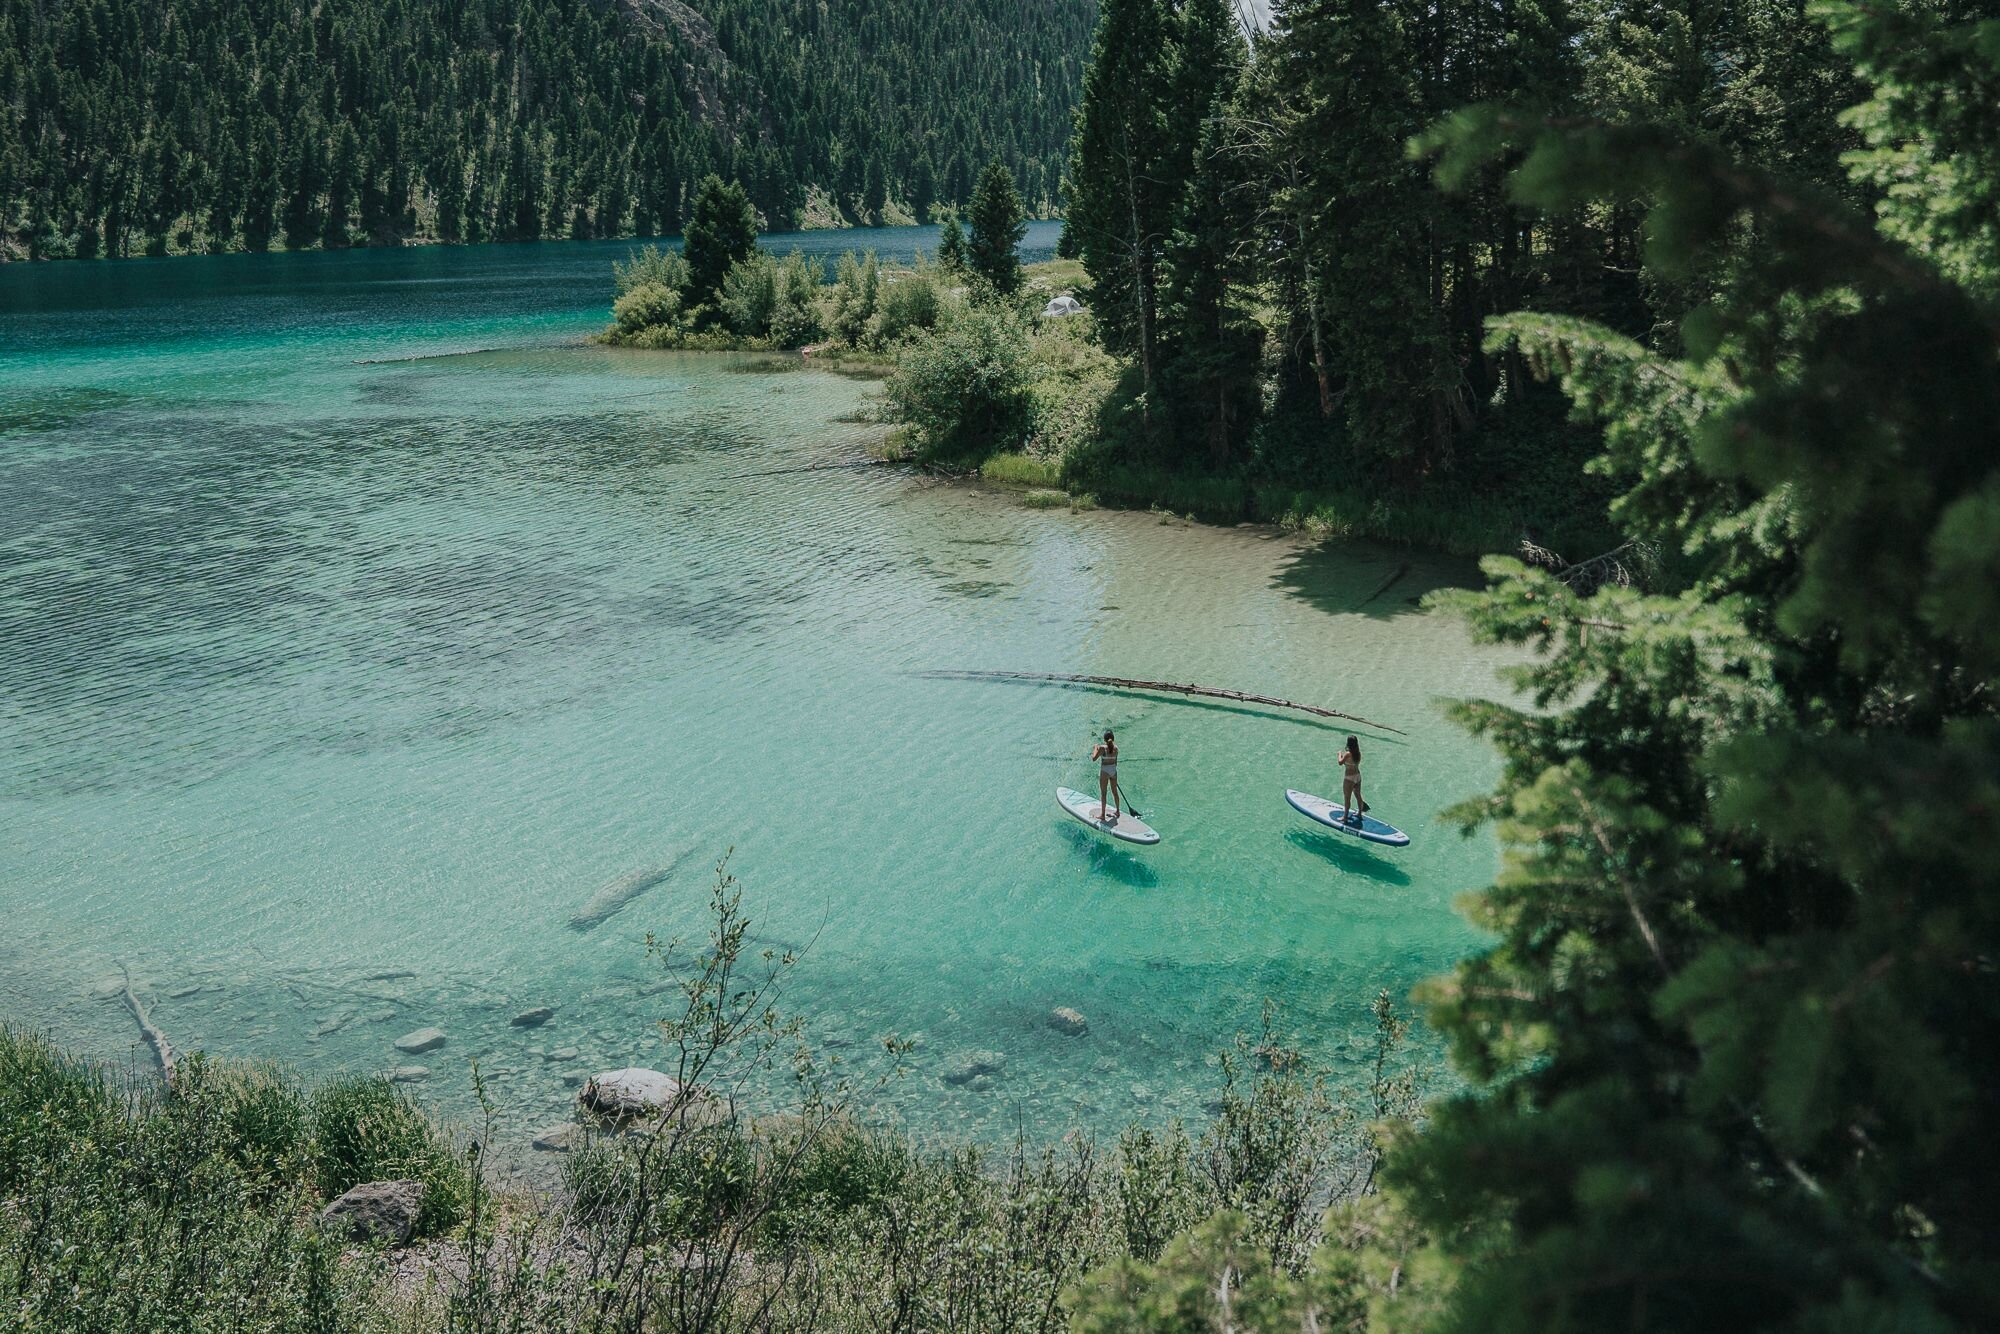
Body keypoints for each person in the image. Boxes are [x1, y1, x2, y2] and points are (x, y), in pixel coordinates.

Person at [1090, 729, 1123, 824]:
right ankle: (1117, 811)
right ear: (1113, 738)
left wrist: (1095, 747)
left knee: (1103, 793)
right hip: (1113, 771)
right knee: (1115, 792)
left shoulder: (1102, 748)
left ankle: (1103, 815)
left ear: (1104, 739)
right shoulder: (1116, 748)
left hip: (1105, 771)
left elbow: (1093, 758)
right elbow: (1115, 763)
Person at [1337, 734, 1363, 825]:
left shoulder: (1348, 754)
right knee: (1358, 795)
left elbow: (1340, 762)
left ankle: (1345, 817)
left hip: (1349, 778)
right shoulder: (1358, 753)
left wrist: (1339, 754)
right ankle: (1360, 813)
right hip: (1358, 776)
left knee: (1347, 797)